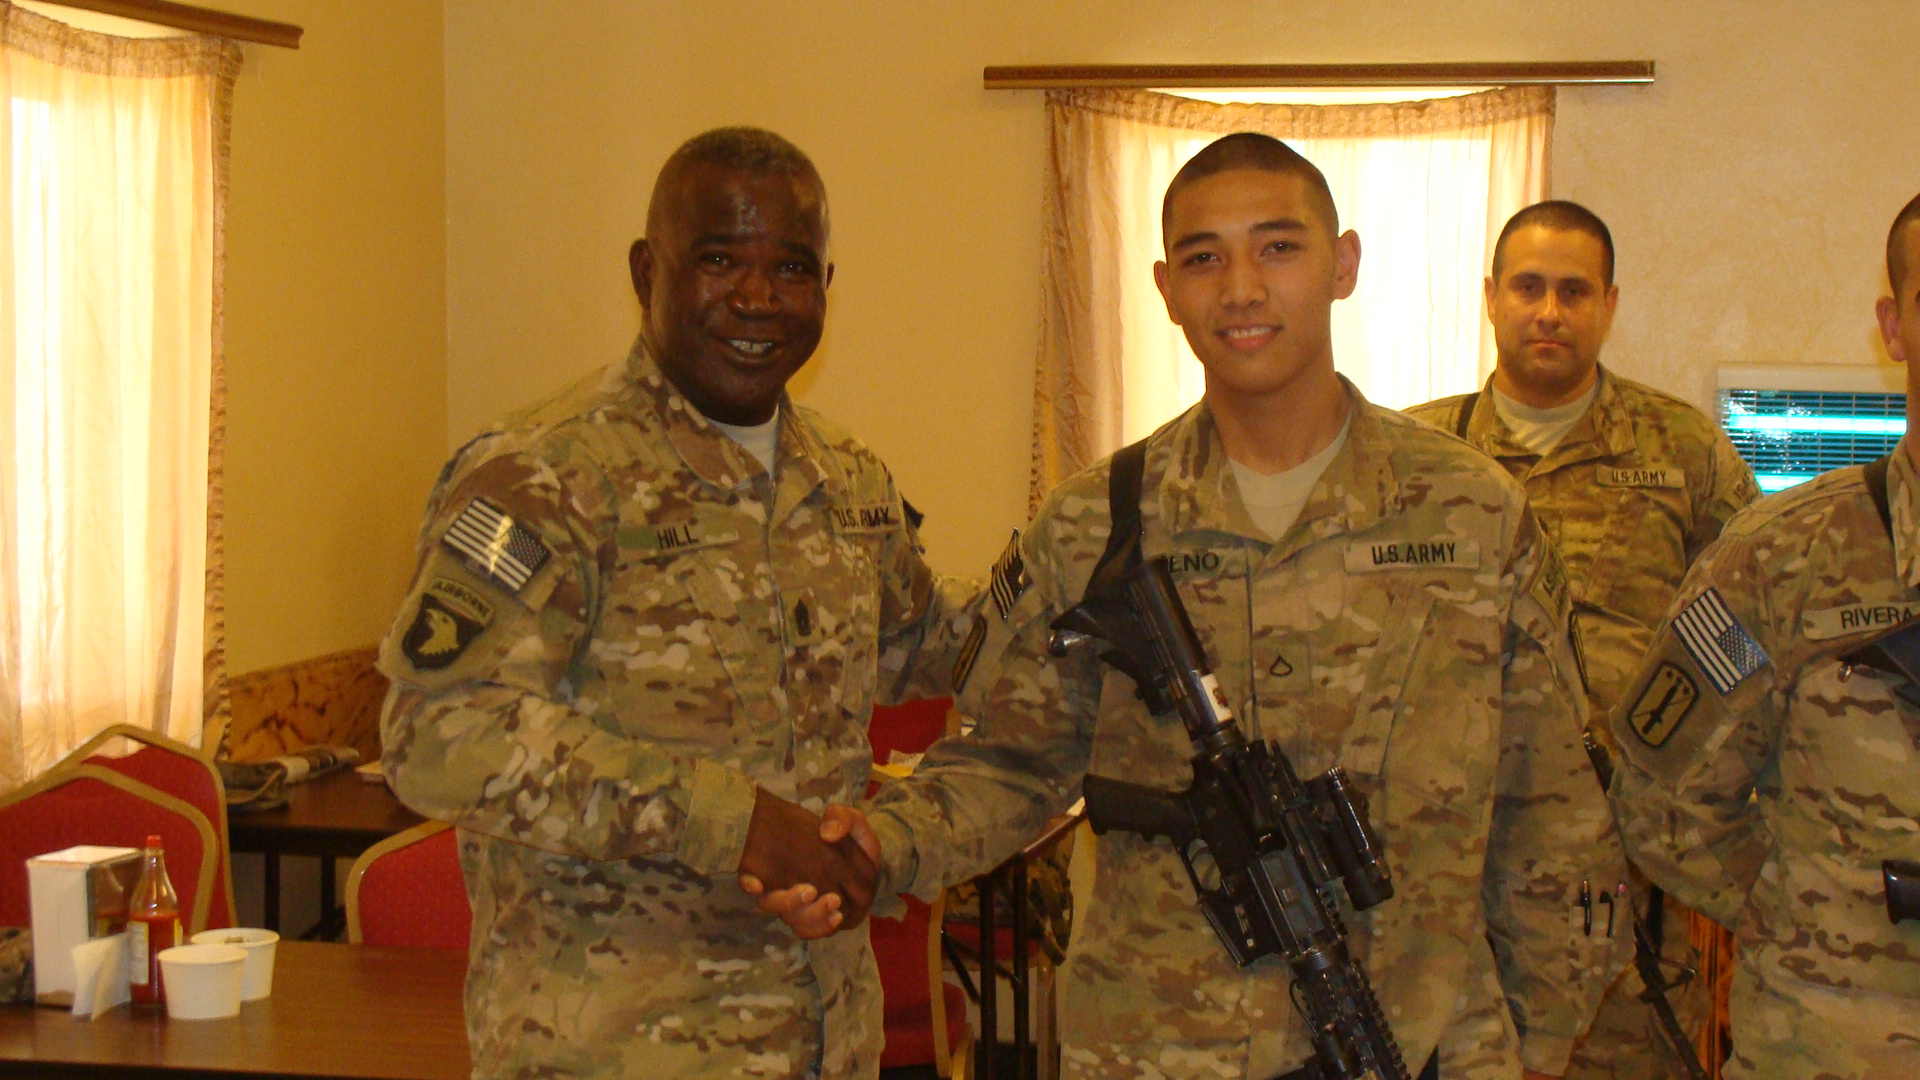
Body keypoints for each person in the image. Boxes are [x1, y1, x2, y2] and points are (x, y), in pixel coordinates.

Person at [762, 133, 1630, 1079]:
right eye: (1204, 257)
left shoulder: (1473, 512)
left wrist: (1538, 1045)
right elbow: (1016, 764)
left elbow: (1553, 815)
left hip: (1422, 1046)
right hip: (1157, 1048)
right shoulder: (1095, 522)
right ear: (1165, 287)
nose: (1243, 288)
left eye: (1279, 247)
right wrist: (880, 846)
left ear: (1343, 265)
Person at [377, 126, 974, 1080]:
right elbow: (438, 735)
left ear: (828, 285)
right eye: (719, 259)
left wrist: (1069, 591)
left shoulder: (845, 475)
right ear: (645, 270)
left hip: (829, 1037)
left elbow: (920, 642)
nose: (756, 297)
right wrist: (730, 820)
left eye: (790, 266)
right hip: (617, 1048)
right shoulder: (544, 473)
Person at [1404, 201, 1759, 1079]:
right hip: (1454, 870)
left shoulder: (1684, 450)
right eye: (1528, 287)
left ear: (1608, 303)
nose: (1549, 311)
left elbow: (1754, 640)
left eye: (1573, 290)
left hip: (1630, 875)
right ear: (1491, 297)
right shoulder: (1415, 455)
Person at [1606, 194, 1920, 1079]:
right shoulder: (1779, 558)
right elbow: (1658, 796)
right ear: (1894, 327)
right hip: (1829, 1048)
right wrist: (1810, 917)